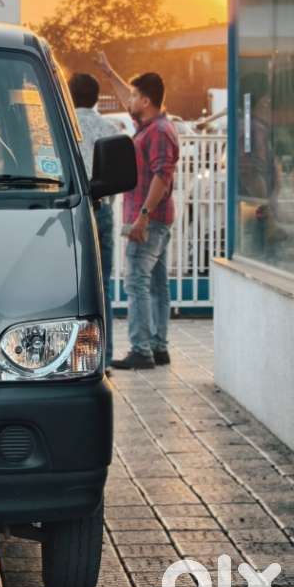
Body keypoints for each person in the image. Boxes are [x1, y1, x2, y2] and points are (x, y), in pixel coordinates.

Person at [95, 52, 179, 370]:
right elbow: (126, 95)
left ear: (145, 100)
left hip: (149, 219)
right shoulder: (151, 125)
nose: (128, 99)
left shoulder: (158, 132)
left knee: (137, 282)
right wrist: (108, 70)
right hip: (158, 217)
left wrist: (142, 217)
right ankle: (158, 347)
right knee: (157, 283)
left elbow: (162, 175)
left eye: (134, 95)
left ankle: (141, 350)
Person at [68, 73, 120, 371]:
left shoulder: (62, 126)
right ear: (97, 98)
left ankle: (83, 360)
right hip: (104, 211)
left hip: (73, 211)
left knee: (75, 291)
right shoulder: (109, 128)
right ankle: (106, 358)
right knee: (104, 288)